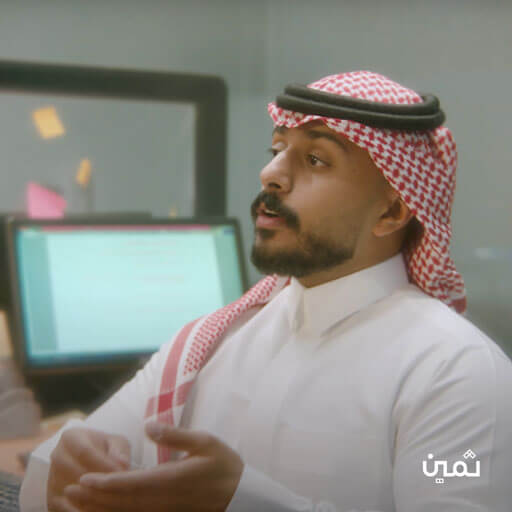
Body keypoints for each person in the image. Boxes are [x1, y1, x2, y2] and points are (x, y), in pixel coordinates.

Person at [20, 71, 512, 512]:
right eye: (277, 150)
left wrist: (241, 501)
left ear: (392, 212)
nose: (271, 174)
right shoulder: (214, 340)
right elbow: (59, 467)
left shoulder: (457, 373)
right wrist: (65, 467)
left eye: (315, 159)